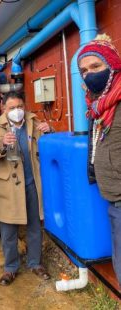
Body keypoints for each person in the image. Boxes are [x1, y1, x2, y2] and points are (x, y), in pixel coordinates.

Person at [0, 91, 52, 286]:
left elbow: (48, 147)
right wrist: (1, 144)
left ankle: (35, 263)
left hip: (32, 184)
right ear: (3, 109)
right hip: (9, 187)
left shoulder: (34, 122)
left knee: (34, 227)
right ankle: (10, 268)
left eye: (20, 107)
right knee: (8, 231)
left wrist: (50, 131)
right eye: (12, 108)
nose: (17, 111)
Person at [77, 34, 121, 286]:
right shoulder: (99, 106)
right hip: (113, 197)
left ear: (113, 65)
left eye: (96, 66)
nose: (89, 74)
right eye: (84, 70)